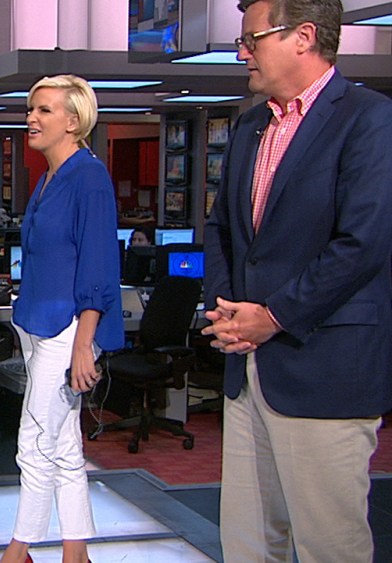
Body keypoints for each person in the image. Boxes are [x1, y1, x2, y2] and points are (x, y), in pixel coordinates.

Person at [202, 1, 392, 561]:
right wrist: (227, 310)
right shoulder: (250, 125)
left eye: (251, 40)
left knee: (327, 545)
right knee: (247, 542)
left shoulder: (369, 119)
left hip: (324, 366)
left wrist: (274, 316)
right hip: (247, 368)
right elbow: (221, 230)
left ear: (303, 37)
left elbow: (362, 243)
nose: (241, 53)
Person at [0, 75, 122, 563]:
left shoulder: (89, 177)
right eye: (31, 109)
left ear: (73, 121)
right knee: (64, 444)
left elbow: (98, 264)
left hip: (67, 328)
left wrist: (83, 344)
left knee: (34, 440)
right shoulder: (49, 176)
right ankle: (76, 552)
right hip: (37, 323)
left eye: (43, 110)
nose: (31, 118)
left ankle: (19, 550)